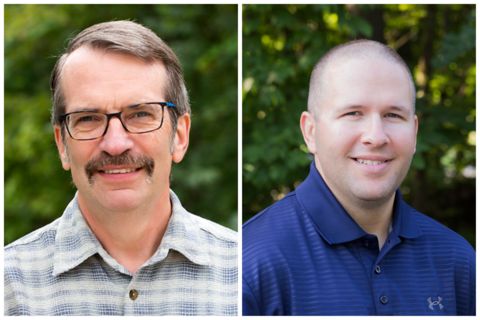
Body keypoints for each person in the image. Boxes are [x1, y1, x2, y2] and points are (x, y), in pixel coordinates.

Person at [5, 20, 237, 316]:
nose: (115, 144)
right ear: (62, 144)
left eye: (140, 114)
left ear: (179, 136)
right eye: (88, 118)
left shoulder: (243, 271)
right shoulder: (9, 285)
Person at [242, 40, 475, 316]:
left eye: (392, 114)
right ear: (310, 131)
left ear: (414, 132)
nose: (376, 136)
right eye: (353, 113)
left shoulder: (457, 260)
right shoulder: (252, 263)